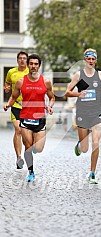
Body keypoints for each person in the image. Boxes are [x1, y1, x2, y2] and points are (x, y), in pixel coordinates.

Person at [4, 54, 55, 182]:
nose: (33, 66)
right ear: (28, 65)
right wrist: (8, 105)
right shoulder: (21, 81)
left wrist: (50, 106)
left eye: (35, 64)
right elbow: (14, 97)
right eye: (31, 63)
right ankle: (31, 171)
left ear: (39, 66)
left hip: (40, 119)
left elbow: (52, 97)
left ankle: (31, 153)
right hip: (25, 119)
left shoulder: (45, 81)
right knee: (28, 147)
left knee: (38, 148)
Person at [65, 48, 101, 184]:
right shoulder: (78, 75)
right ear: (84, 60)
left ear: (96, 60)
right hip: (82, 112)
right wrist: (78, 94)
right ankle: (79, 145)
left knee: (96, 142)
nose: (91, 61)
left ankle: (92, 173)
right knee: (85, 149)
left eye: (93, 59)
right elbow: (67, 92)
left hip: (96, 112)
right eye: (88, 59)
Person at [4, 51, 29, 169]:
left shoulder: (31, 71)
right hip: (16, 105)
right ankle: (19, 157)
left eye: (24, 58)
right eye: (20, 58)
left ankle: (27, 151)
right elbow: (7, 83)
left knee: (27, 134)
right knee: (18, 130)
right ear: (17, 60)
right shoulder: (11, 72)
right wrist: (7, 88)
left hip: (29, 107)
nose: (22, 60)